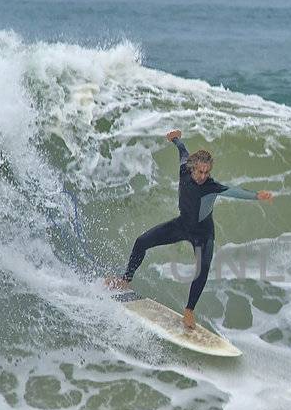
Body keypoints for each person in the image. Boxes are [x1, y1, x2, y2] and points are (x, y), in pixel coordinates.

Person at [106, 130, 274, 329]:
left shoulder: (212, 186)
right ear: (192, 168)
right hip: (182, 225)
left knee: (202, 269)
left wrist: (256, 196)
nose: (203, 176)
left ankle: (189, 311)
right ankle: (125, 280)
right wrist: (175, 138)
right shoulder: (184, 168)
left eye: (207, 172)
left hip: (203, 235)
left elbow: (234, 191)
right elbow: (182, 150)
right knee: (141, 242)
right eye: (200, 171)